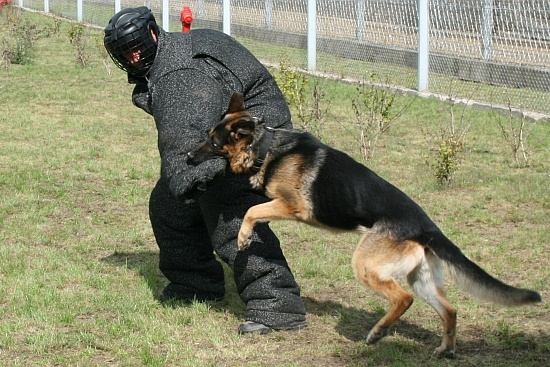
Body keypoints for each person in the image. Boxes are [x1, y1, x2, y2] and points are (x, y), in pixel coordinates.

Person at [103, 6, 307, 334]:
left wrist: (189, 178)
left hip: (260, 141)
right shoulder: (174, 53)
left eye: (137, 45)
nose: (134, 56)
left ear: (154, 34)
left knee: (228, 211)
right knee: (168, 205)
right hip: (231, 135)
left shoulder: (176, 72)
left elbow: (185, 133)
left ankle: (277, 304)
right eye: (125, 52)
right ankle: (195, 285)